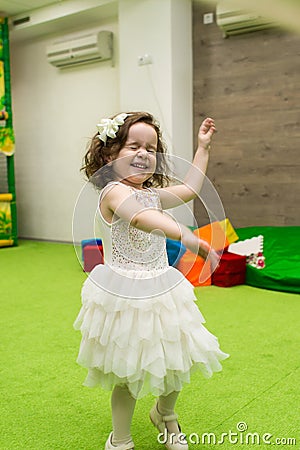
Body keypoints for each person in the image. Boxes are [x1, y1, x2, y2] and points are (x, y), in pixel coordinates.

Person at [74, 112, 229, 450]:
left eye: (151, 148)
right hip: (126, 294)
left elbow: (189, 189)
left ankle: (165, 413)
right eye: (134, 145)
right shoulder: (113, 192)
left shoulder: (153, 194)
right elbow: (143, 220)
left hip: (162, 287)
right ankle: (121, 438)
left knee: (177, 357)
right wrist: (187, 237)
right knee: (128, 373)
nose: (144, 153)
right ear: (109, 154)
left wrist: (203, 148)